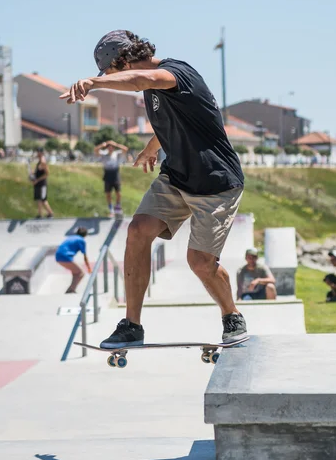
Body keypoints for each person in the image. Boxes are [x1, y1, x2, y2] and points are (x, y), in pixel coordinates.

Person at [60, 29, 247, 349]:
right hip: (176, 176)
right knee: (138, 230)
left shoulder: (176, 73)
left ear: (123, 61)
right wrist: (151, 147)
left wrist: (94, 83)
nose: (113, 80)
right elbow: (178, 121)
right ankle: (132, 324)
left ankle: (231, 315)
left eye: (112, 73)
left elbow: (141, 80)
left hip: (215, 183)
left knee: (200, 262)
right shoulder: (152, 89)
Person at [94, 139, 127, 215]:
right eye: (109, 147)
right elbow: (95, 150)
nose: (110, 148)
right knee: (108, 193)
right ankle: (110, 208)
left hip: (115, 174)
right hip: (107, 174)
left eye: (112, 147)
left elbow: (125, 149)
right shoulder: (104, 154)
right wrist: (103, 145)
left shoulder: (116, 154)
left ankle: (118, 206)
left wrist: (116, 144)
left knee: (118, 192)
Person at [55, 227, 92, 293]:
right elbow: (85, 256)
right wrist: (89, 268)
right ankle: (70, 290)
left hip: (58, 255)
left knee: (75, 273)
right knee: (81, 273)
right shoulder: (81, 240)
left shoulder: (71, 237)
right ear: (85, 235)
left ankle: (72, 289)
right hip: (65, 256)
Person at [32, 148, 54, 218]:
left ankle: (50, 213)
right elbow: (40, 172)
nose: (36, 154)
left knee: (43, 200)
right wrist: (34, 173)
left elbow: (47, 174)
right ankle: (40, 214)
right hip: (38, 184)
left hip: (42, 184)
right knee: (39, 199)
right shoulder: (39, 162)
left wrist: (37, 180)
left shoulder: (43, 162)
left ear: (40, 153)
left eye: (37, 152)